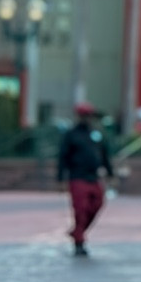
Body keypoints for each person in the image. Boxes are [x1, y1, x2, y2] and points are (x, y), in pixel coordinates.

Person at [57, 102, 116, 257]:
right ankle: (79, 241)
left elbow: (104, 155)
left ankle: (78, 231)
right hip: (77, 176)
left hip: (93, 176)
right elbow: (63, 157)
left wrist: (110, 173)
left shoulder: (96, 134)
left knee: (97, 203)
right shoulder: (71, 135)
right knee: (80, 209)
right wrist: (61, 177)